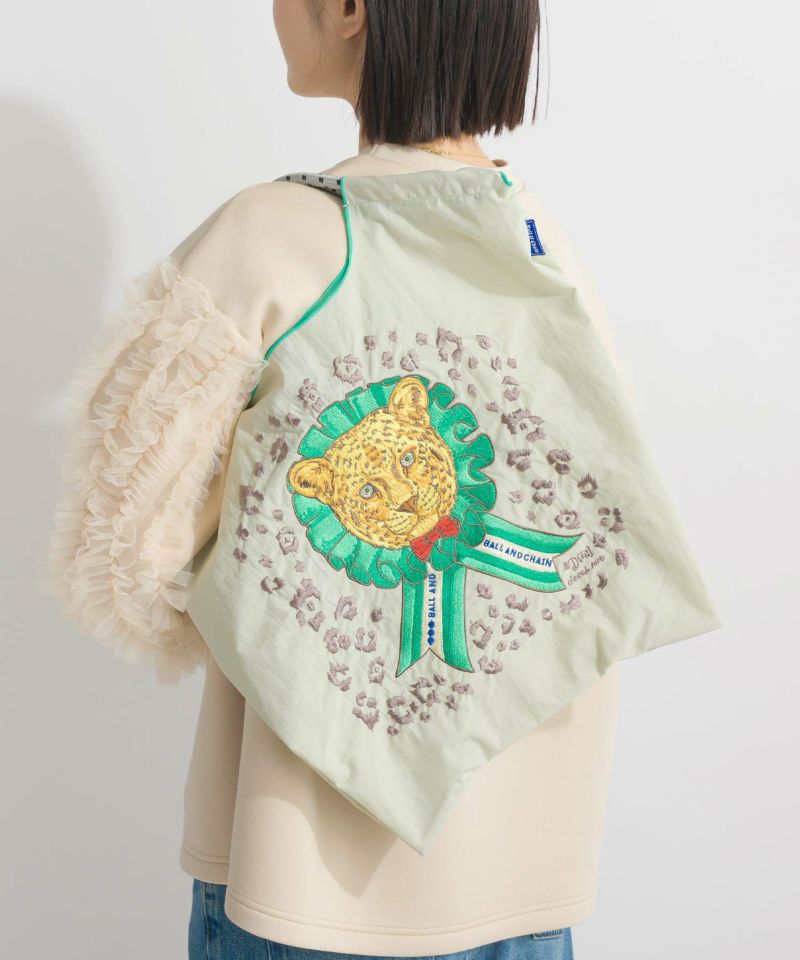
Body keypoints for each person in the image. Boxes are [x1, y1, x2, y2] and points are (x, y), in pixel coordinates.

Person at [44, 2, 627, 958]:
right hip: (522, 894)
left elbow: (120, 549)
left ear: (352, 8)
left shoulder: (269, 237)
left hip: (301, 883)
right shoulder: (548, 251)